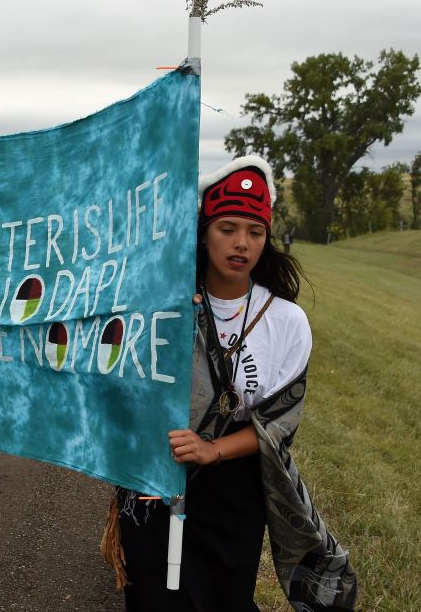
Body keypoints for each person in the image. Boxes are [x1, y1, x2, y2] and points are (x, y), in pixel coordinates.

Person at [102, 156, 356, 611]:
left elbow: (279, 424)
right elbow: (121, 383)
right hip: (154, 480)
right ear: (203, 232)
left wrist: (212, 450)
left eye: (254, 232)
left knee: (222, 600)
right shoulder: (161, 305)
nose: (241, 243)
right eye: (227, 228)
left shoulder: (286, 321)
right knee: (156, 602)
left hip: (233, 495)